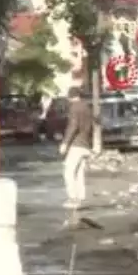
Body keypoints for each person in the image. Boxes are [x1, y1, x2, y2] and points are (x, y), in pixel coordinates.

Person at [58, 86, 94, 221]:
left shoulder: (74, 108)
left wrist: (65, 143)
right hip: (85, 143)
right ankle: (81, 197)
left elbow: (73, 126)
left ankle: (73, 198)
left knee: (69, 171)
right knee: (79, 172)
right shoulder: (87, 107)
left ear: (70, 96)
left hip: (76, 144)